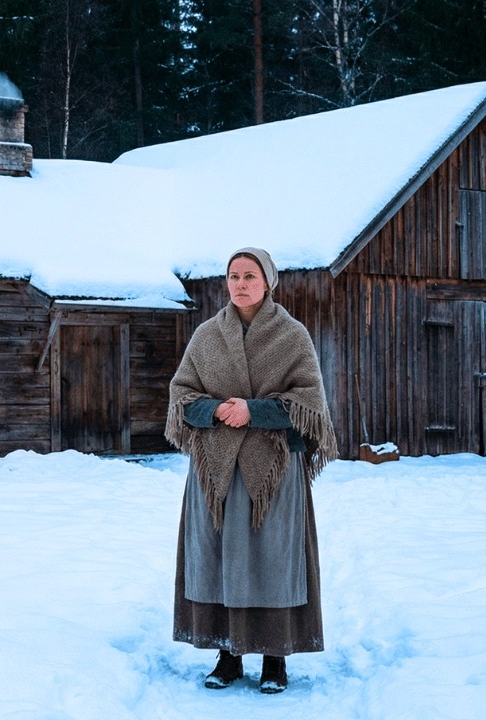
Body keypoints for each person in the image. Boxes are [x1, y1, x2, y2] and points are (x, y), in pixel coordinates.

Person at [164, 246, 337, 693]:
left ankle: (275, 660)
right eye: (233, 276)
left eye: (249, 276)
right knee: (221, 558)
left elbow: (310, 403)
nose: (240, 284)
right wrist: (217, 410)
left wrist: (255, 411)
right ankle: (228, 654)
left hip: (274, 470)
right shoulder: (207, 335)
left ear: (268, 281)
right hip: (216, 469)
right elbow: (181, 395)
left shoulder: (291, 336)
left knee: (273, 559)